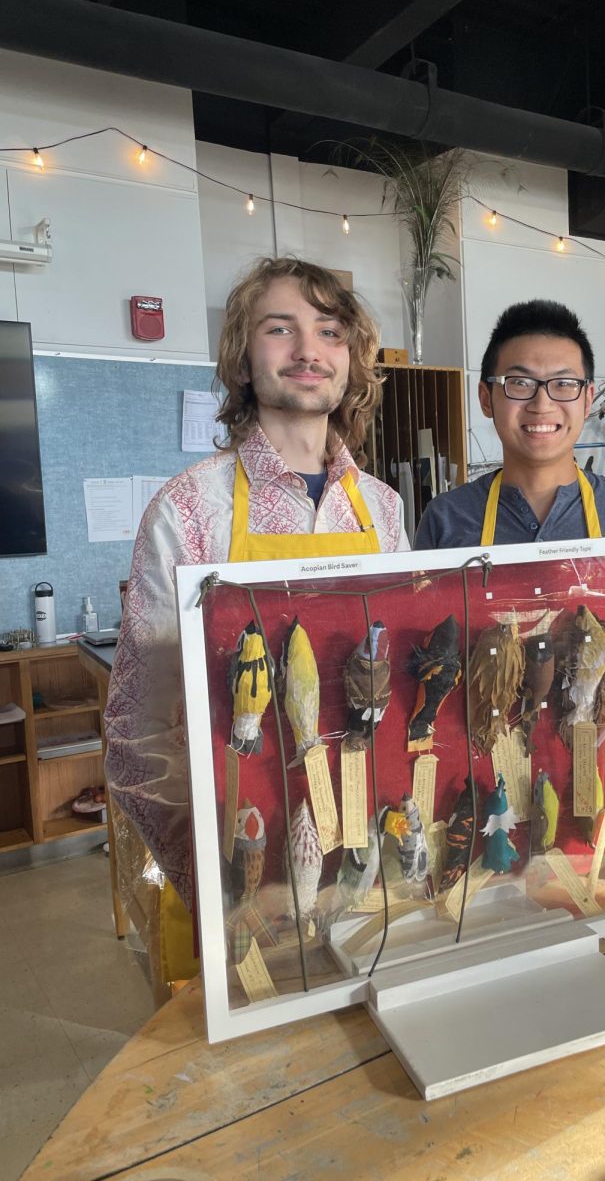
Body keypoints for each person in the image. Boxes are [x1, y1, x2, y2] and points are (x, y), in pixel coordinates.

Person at [105, 257, 408, 907]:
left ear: (352, 360)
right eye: (280, 328)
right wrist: (216, 877)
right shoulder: (186, 510)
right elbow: (139, 730)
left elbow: (398, 687)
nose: (308, 349)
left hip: (368, 847)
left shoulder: (382, 510)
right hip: (243, 855)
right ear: (242, 360)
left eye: (330, 332)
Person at [414, 299, 605, 561]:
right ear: (486, 399)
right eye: (520, 383)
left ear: (587, 400)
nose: (542, 404)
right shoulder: (446, 519)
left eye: (563, 383)